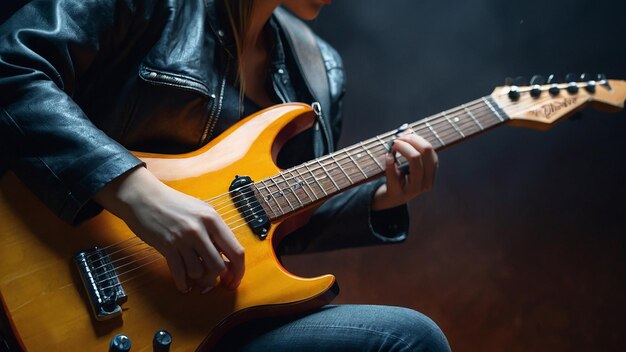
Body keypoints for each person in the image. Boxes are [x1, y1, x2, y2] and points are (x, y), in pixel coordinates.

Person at [0, 0, 450, 350]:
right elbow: (11, 70)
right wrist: (138, 194)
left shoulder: (319, 70)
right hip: (63, 282)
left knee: (409, 338)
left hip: (211, 319)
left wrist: (379, 199)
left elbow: (260, 228)